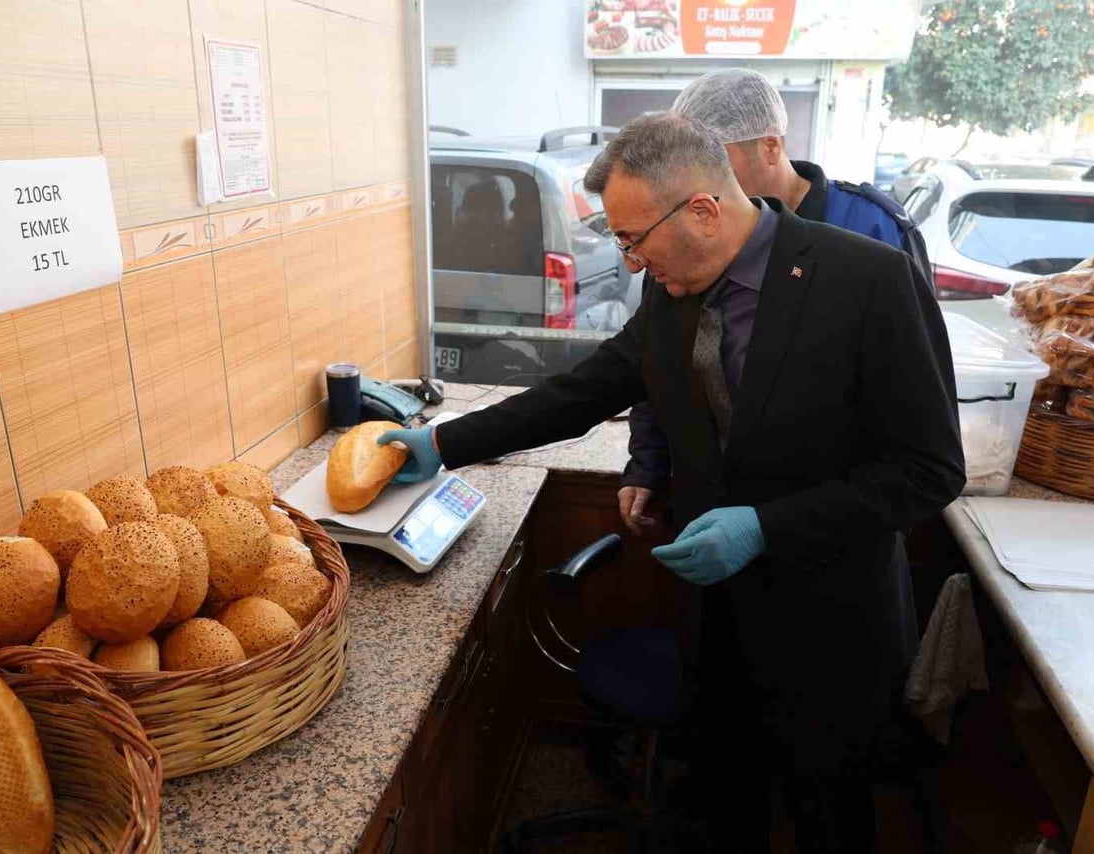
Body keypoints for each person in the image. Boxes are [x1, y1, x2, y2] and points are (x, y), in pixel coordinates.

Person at [380, 112, 964, 852]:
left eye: (632, 240)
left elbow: (928, 469)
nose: (627, 264)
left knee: (827, 819)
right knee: (725, 803)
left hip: (832, 626)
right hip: (717, 610)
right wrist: (442, 443)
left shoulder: (868, 280)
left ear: (703, 212)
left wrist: (766, 526)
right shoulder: (673, 286)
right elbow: (588, 390)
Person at [619, 67, 947, 534]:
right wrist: (647, 463)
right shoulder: (687, 232)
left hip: (835, 528)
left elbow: (917, 407)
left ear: (770, 147)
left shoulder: (872, 233)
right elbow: (658, 360)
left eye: (715, 159)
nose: (695, 181)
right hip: (707, 517)